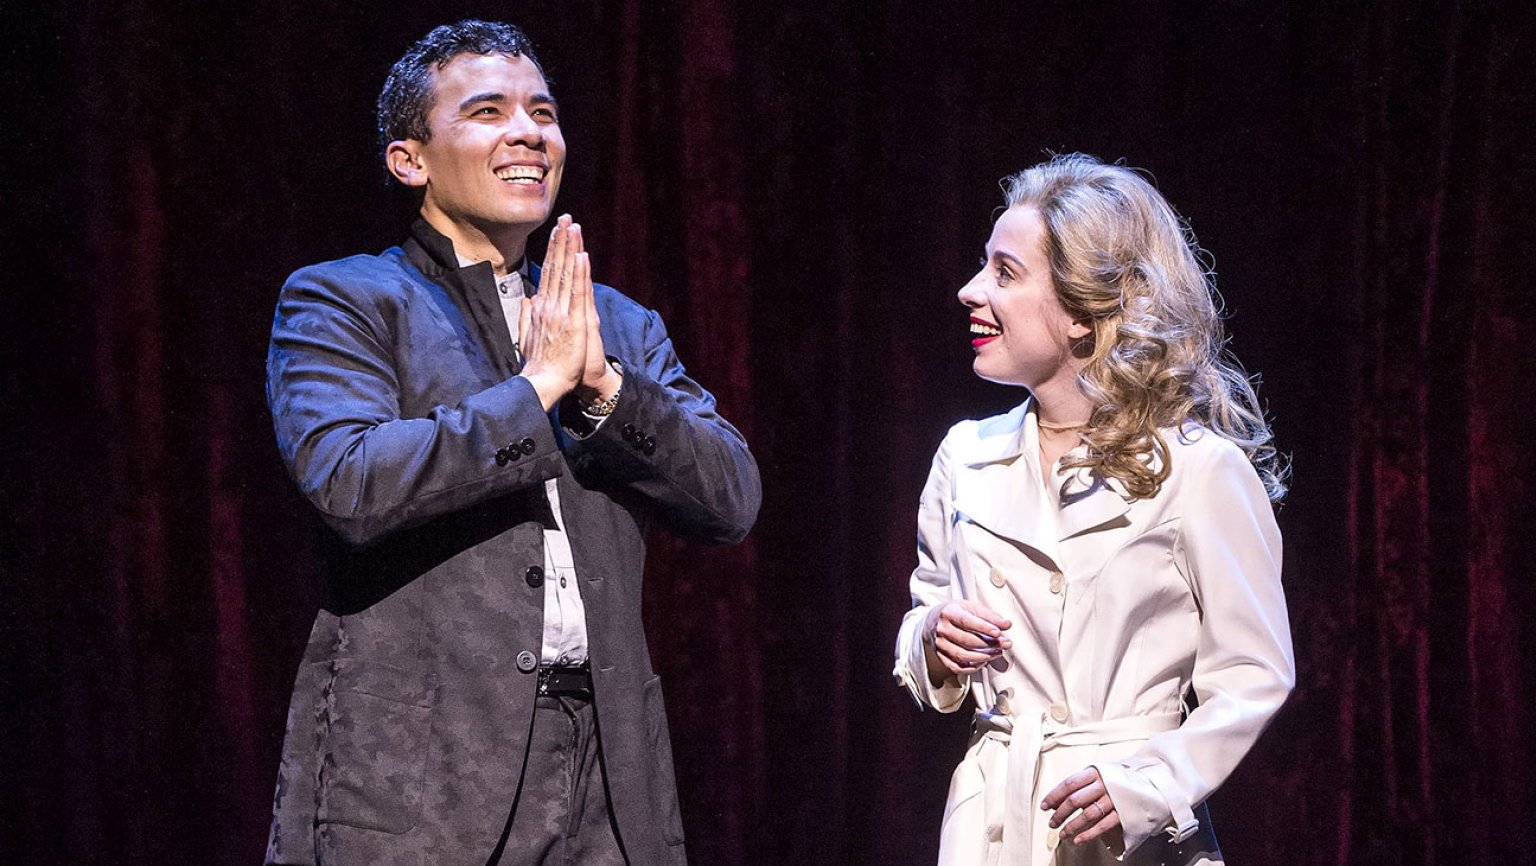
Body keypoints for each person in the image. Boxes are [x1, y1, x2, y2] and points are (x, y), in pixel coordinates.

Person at [263, 20, 760, 866]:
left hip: (608, 776)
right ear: (409, 161)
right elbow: (349, 481)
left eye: (543, 112)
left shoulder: (616, 325)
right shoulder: (346, 299)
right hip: (423, 779)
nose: (528, 132)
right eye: (487, 112)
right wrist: (537, 391)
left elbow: (732, 497)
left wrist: (604, 389)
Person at [893, 154, 1294, 866]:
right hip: (991, 826)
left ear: (1082, 314)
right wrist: (932, 639)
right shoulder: (964, 456)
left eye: (1005, 273)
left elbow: (1254, 673)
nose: (970, 290)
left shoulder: (1198, 468)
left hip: (1124, 832)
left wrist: (1151, 785)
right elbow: (924, 619)